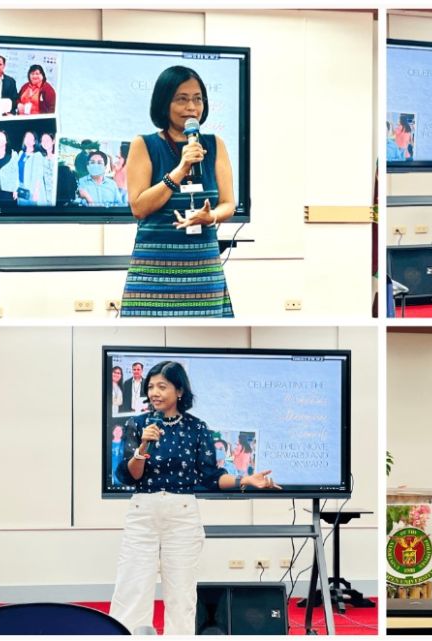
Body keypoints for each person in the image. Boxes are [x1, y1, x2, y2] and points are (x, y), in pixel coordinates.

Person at [110, 361, 281, 635]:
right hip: (143, 511)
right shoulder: (137, 424)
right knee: (132, 588)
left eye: (162, 386)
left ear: (179, 391)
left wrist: (244, 479)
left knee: (182, 593)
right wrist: (143, 445)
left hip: (182, 513)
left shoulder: (196, 428)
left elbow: (211, 477)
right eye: (150, 386)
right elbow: (130, 476)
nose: (154, 392)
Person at [120, 66, 235, 317]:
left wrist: (212, 217)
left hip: (202, 269)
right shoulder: (144, 144)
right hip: (154, 270)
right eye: (182, 99)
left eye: (198, 99)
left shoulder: (215, 145)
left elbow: (228, 203)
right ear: (164, 103)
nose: (192, 107)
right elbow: (139, 207)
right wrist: (180, 169)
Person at [16, 130, 45, 206]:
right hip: (21, 187)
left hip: (32, 189)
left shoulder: (37, 155)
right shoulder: (21, 154)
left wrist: (36, 191)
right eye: (26, 137)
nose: (28, 140)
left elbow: (39, 175)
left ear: (34, 142)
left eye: (31, 138)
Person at [0, 130, 19, 203]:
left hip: (9, 193)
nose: (0, 140)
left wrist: (16, 190)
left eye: (2, 137)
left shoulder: (13, 155)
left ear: (6, 140)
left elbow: (16, 174)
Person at [39, 132, 57, 205]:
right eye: (43, 140)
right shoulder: (42, 159)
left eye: (47, 140)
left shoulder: (58, 158)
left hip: (56, 194)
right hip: (45, 197)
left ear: (53, 141)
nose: (45, 142)